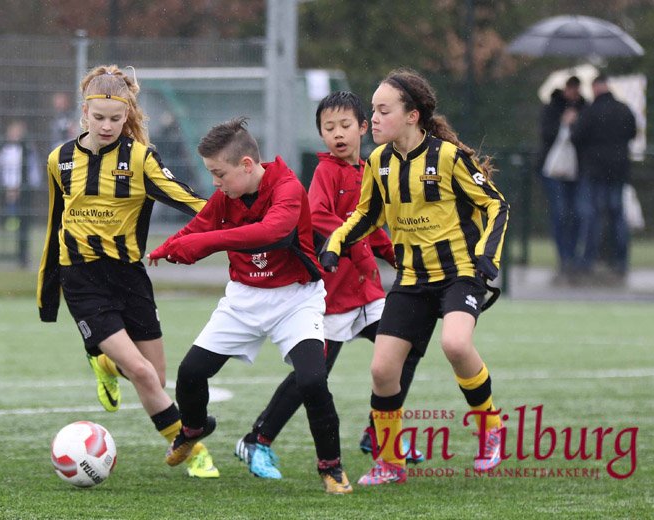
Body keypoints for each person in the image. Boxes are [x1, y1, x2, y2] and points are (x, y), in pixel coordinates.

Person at [320, 68, 509, 485]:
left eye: (383, 110)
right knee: (382, 370)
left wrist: (487, 255)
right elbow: (367, 215)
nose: (373, 118)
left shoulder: (448, 157)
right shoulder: (378, 162)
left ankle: (491, 428)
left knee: (455, 344)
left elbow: (496, 204)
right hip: (412, 278)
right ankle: (390, 462)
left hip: (460, 272)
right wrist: (336, 243)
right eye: (373, 110)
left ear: (412, 116)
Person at [147, 117, 352, 495]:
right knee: (191, 373)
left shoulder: (288, 188)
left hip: (295, 299)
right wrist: (169, 247)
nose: (215, 183)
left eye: (218, 173)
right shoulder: (226, 197)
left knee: (312, 380)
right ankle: (192, 430)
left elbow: (270, 233)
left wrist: (206, 244)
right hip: (244, 299)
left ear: (245, 165)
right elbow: (199, 228)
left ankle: (331, 467)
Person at [36, 64, 219, 479]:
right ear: (84, 113)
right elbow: (53, 226)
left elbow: (190, 201)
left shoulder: (140, 159)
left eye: (115, 118)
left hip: (129, 278)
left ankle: (104, 365)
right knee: (140, 371)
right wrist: (48, 295)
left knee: (154, 378)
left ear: (128, 115)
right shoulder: (59, 160)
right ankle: (192, 449)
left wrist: (243, 222)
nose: (106, 126)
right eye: (99, 117)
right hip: (81, 279)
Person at [233, 91, 424, 480]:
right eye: (328, 127)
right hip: (333, 294)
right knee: (312, 376)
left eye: (345, 125)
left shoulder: (371, 169)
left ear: (363, 128)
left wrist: (397, 257)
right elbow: (319, 215)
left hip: (367, 291)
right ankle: (257, 439)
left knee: (405, 348)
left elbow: (372, 225)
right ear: (320, 134)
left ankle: (379, 431)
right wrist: (353, 241)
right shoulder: (326, 172)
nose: (337, 134)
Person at [570, 74, 637, 283]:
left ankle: (589, 260)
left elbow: (576, 137)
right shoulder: (624, 110)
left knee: (593, 216)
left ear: (595, 87)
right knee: (618, 215)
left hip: (594, 171)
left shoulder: (590, 112)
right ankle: (620, 260)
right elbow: (632, 133)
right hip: (619, 170)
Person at [538, 76, 587, 284]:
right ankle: (564, 256)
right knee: (560, 213)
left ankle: (573, 255)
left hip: (577, 170)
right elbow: (546, 134)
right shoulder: (552, 108)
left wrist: (575, 125)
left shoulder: (584, 108)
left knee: (577, 213)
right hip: (554, 170)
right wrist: (563, 123)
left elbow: (586, 137)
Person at [0, 119, 41, 232]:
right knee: (11, 201)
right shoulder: (6, 150)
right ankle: (12, 221)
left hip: (24, 181)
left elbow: (33, 166)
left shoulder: (28, 149)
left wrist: (34, 180)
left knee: (23, 203)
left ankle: (23, 223)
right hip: (11, 181)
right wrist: (5, 181)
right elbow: (3, 167)